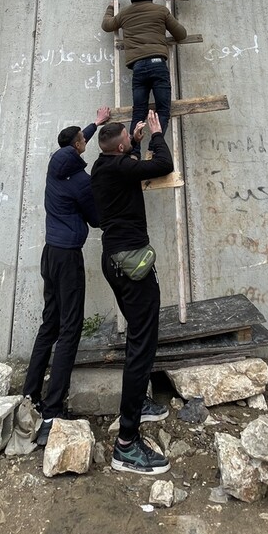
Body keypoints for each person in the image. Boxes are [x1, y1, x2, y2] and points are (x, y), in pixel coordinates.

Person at [90, 110, 174, 475]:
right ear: (122, 146)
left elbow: (125, 163)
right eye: (128, 139)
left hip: (113, 260)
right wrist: (155, 135)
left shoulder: (102, 166)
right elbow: (163, 165)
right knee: (143, 342)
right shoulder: (123, 168)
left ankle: (138, 401)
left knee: (138, 338)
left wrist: (133, 143)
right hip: (133, 266)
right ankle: (126, 444)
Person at [22, 105, 111, 446]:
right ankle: (54, 405)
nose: (84, 141)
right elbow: (96, 220)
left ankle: (31, 393)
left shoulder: (55, 164)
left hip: (49, 254)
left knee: (50, 324)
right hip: (69, 259)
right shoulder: (80, 182)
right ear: (78, 147)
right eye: (83, 139)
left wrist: (94, 124)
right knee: (70, 329)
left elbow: (73, 143)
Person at [101, 0, 186, 138]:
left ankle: (134, 152)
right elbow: (181, 34)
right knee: (163, 110)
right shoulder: (161, 11)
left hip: (138, 67)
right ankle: (154, 148)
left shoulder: (125, 13)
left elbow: (107, 25)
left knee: (138, 112)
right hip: (158, 65)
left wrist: (111, 7)